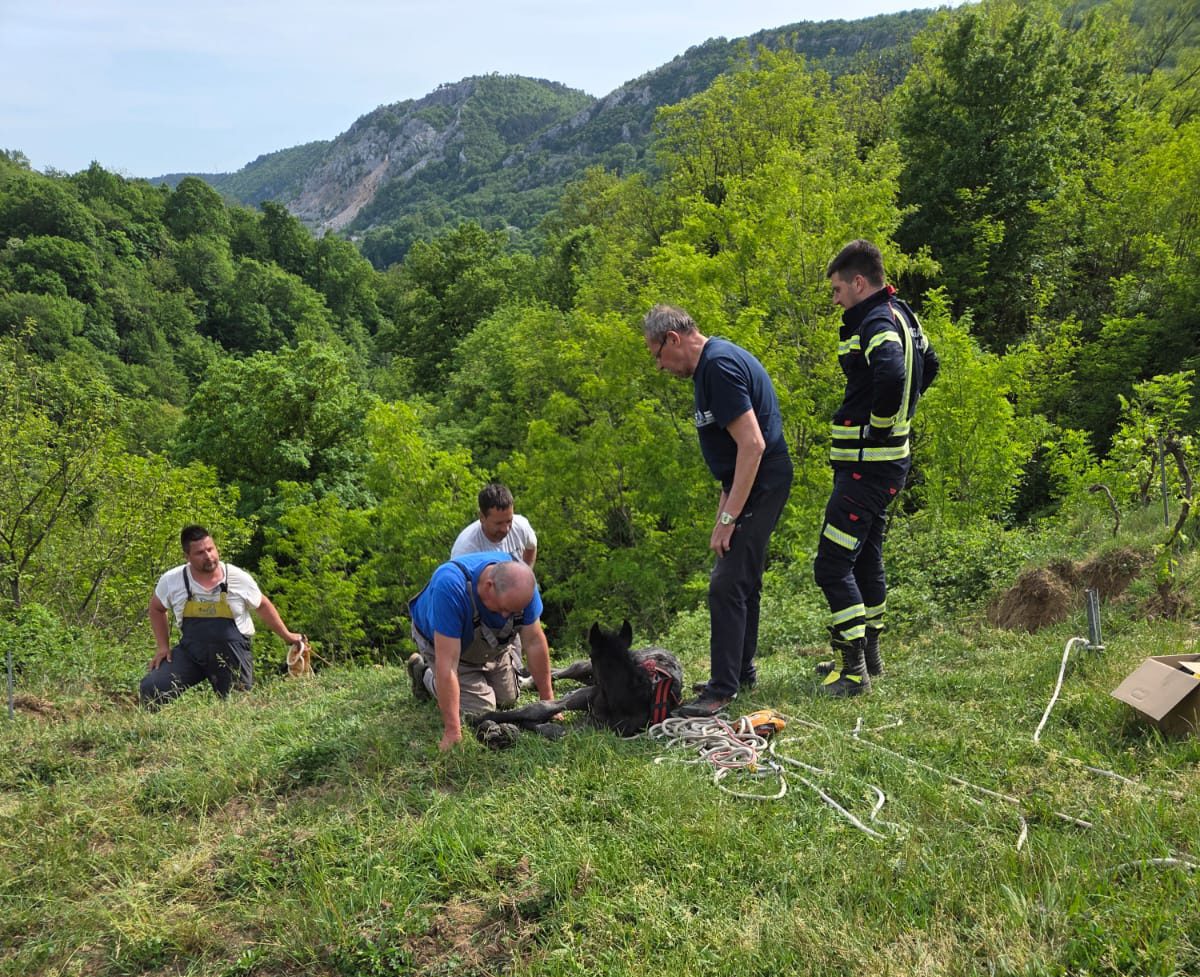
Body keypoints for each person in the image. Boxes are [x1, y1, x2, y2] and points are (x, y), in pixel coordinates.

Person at [642, 305, 793, 718]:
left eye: (656, 355)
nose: (660, 367)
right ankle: (740, 672)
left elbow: (753, 445)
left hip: (763, 480)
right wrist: (721, 515)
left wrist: (730, 519)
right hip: (746, 484)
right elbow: (729, 457)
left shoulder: (719, 367)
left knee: (725, 585)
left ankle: (721, 691)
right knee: (741, 578)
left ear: (673, 339)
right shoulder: (709, 367)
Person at [814, 239, 939, 696]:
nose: (835, 299)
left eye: (838, 290)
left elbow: (891, 372)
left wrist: (882, 425)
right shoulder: (904, 315)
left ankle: (852, 671)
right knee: (866, 556)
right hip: (887, 465)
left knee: (831, 565)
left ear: (859, 282)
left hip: (869, 466)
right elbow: (930, 363)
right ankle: (870, 657)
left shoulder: (876, 321)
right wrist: (903, 418)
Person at [141, 525, 303, 709]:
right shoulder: (172, 580)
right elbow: (156, 608)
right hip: (191, 652)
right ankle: (152, 733)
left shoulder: (238, 578)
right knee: (152, 687)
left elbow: (263, 605)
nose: (209, 556)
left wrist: (288, 636)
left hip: (232, 654)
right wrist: (163, 646)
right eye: (200, 553)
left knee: (238, 707)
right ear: (187, 557)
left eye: (210, 549)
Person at [407, 551, 556, 750]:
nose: (506, 617)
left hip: (491, 645)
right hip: (447, 646)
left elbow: (535, 643)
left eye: (513, 612)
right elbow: (448, 664)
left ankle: (478, 677)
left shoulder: (522, 585)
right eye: (504, 609)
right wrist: (453, 731)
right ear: (488, 587)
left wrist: (548, 703)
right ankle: (424, 675)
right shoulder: (451, 587)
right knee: (481, 709)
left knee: (508, 699)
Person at [451, 483, 537, 567]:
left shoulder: (521, 526)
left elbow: (531, 547)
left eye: (509, 521)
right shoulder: (465, 549)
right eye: (498, 523)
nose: (505, 529)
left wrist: (527, 572)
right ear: (482, 517)